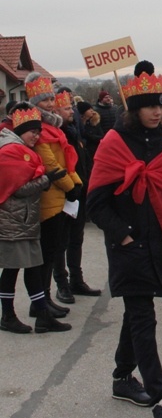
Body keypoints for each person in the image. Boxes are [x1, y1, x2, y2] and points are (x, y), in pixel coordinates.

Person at [86, 61, 162, 418]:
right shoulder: (114, 142)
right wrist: (124, 236)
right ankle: (160, 399)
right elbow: (96, 204)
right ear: (133, 108)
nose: (157, 112)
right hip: (127, 246)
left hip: (157, 241)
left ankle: (121, 378)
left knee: (137, 312)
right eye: (149, 105)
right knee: (143, 315)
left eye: (161, 105)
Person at [0, 103, 71, 333]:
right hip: (14, 221)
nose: (37, 136)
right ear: (22, 130)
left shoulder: (18, 147)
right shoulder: (11, 150)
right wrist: (46, 179)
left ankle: (41, 314)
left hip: (23, 220)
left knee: (30, 267)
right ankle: (10, 316)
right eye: (33, 131)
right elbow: (18, 188)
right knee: (14, 269)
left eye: (39, 132)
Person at [27, 72, 83, 319]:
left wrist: (77, 183)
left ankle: (45, 300)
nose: (50, 104)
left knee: (51, 251)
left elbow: (68, 163)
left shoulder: (54, 128)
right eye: (45, 101)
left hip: (60, 196)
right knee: (47, 253)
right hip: (50, 197)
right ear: (35, 103)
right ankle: (42, 301)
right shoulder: (40, 130)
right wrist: (71, 187)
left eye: (51, 99)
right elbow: (50, 164)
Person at [51, 91, 101, 304]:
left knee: (76, 239)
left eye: (71, 107)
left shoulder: (74, 131)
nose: (72, 111)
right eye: (67, 108)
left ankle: (76, 280)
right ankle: (62, 284)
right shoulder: (55, 134)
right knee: (60, 242)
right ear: (55, 111)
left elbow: (84, 161)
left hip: (80, 191)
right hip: (64, 194)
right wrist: (71, 188)